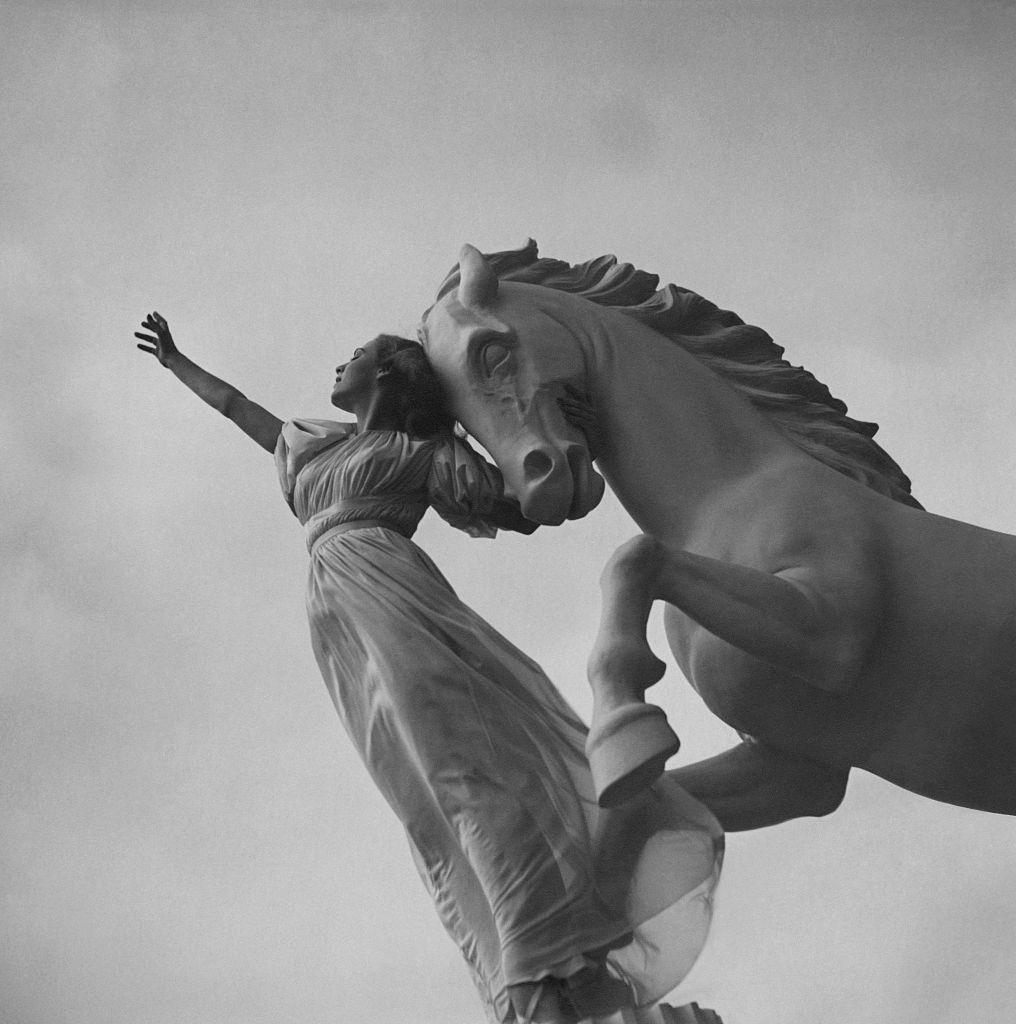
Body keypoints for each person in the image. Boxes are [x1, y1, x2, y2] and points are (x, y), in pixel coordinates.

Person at [134, 311, 723, 1024]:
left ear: (386, 372)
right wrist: (175, 360)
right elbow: (239, 409)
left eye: (357, 352)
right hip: (338, 620)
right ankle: (530, 965)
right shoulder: (314, 448)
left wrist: (554, 435)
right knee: (420, 795)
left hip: (394, 598)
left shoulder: (421, 452)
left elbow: (520, 505)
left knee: (459, 770)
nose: (341, 362)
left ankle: (539, 964)